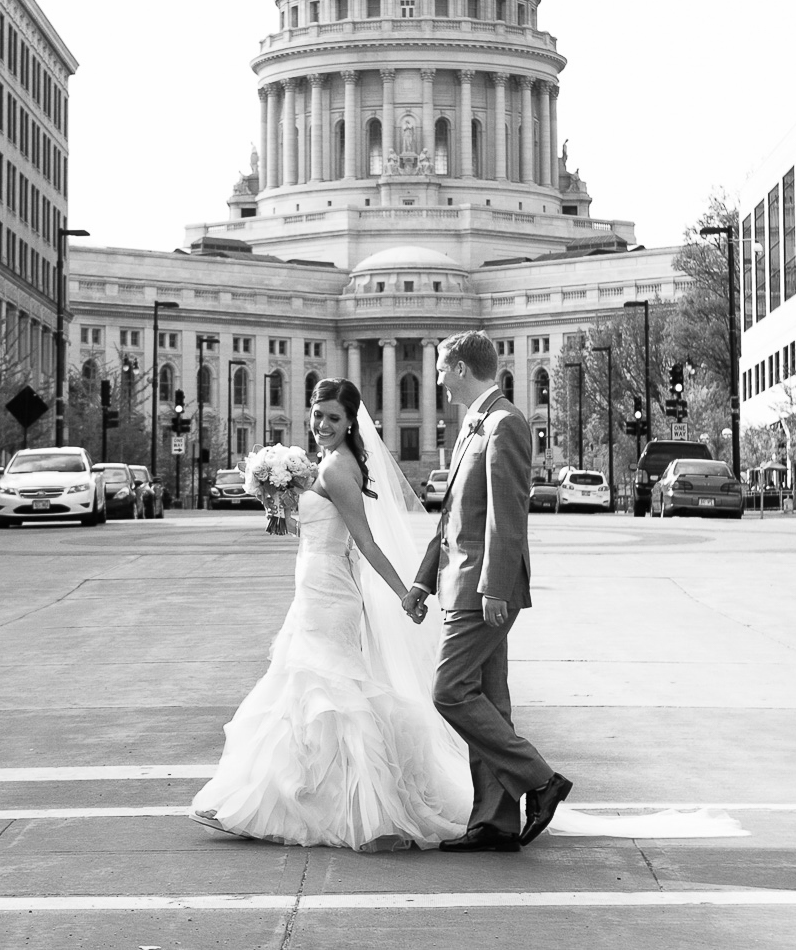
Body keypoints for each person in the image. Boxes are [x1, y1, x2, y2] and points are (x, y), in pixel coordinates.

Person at [190, 378, 470, 850]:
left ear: (350, 422)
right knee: (304, 692)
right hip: (313, 585)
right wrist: (278, 508)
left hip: (330, 594)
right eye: (318, 415)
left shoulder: (339, 468)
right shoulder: (327, 463)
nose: (322, 424)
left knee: (321, 690)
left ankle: (336, 808)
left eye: (333, 418)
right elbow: (320, 528)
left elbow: (364, 541)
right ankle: (289, 796)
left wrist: (406, 594)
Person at [406, 331, 571, 852]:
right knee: (491, 704)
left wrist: (496, 585)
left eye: (439, 368)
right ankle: (496, 823)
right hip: (461, 582)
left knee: (449, 691)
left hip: (482, 590)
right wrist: (422, 579)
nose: (435, 378)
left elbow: (507, 514)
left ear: (458, 368)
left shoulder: (505, 423)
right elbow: (452, 517)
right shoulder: (471, 426)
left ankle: (541, 780)